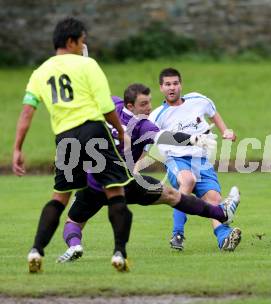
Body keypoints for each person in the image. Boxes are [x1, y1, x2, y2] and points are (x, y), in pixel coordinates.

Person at [57, 83, 240, 263]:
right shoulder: (142, 125)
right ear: (130, 105)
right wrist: (193, 139)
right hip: (124, 184)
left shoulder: (113, 105)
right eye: (143, 104)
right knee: (172, 196)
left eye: (150, 102)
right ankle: (221, 213)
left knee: (73, 221)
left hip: (94, 183)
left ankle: (74, 245)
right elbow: (167, 137)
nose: (149, 107)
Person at [12, 17, 133, 273]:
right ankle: (119, 254)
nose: (83, 46)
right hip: (92, 131)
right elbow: (106, 106)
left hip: (65, 139)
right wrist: (122, 132)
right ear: (71, 41)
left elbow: (26, 113)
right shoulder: (87, 66)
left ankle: (36, 250)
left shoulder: (40, 73)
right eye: (82, 41)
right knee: (115, 192)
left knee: (60, 197)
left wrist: (17, 148)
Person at [149, 67, 241, 251]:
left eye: (175, 83)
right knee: (187, 180)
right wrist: (135, 164)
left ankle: (224, 238)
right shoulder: (157, 115)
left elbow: (213, 113)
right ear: (161, 88)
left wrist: (226, 131)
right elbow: (146, 140)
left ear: (180, 84)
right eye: (167, 84)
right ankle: (177, 234)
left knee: (214, 199)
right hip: (177, 159)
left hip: (201, 160)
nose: (172, 87)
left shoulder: (198, 100)